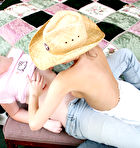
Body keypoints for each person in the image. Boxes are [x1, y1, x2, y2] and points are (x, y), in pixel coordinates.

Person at [27, 10, 140, 147]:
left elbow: (34, 124)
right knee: (125, 55)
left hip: (117, 110)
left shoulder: (64, 80)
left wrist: (34, 94)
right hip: (123, 92)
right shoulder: (95, 49)